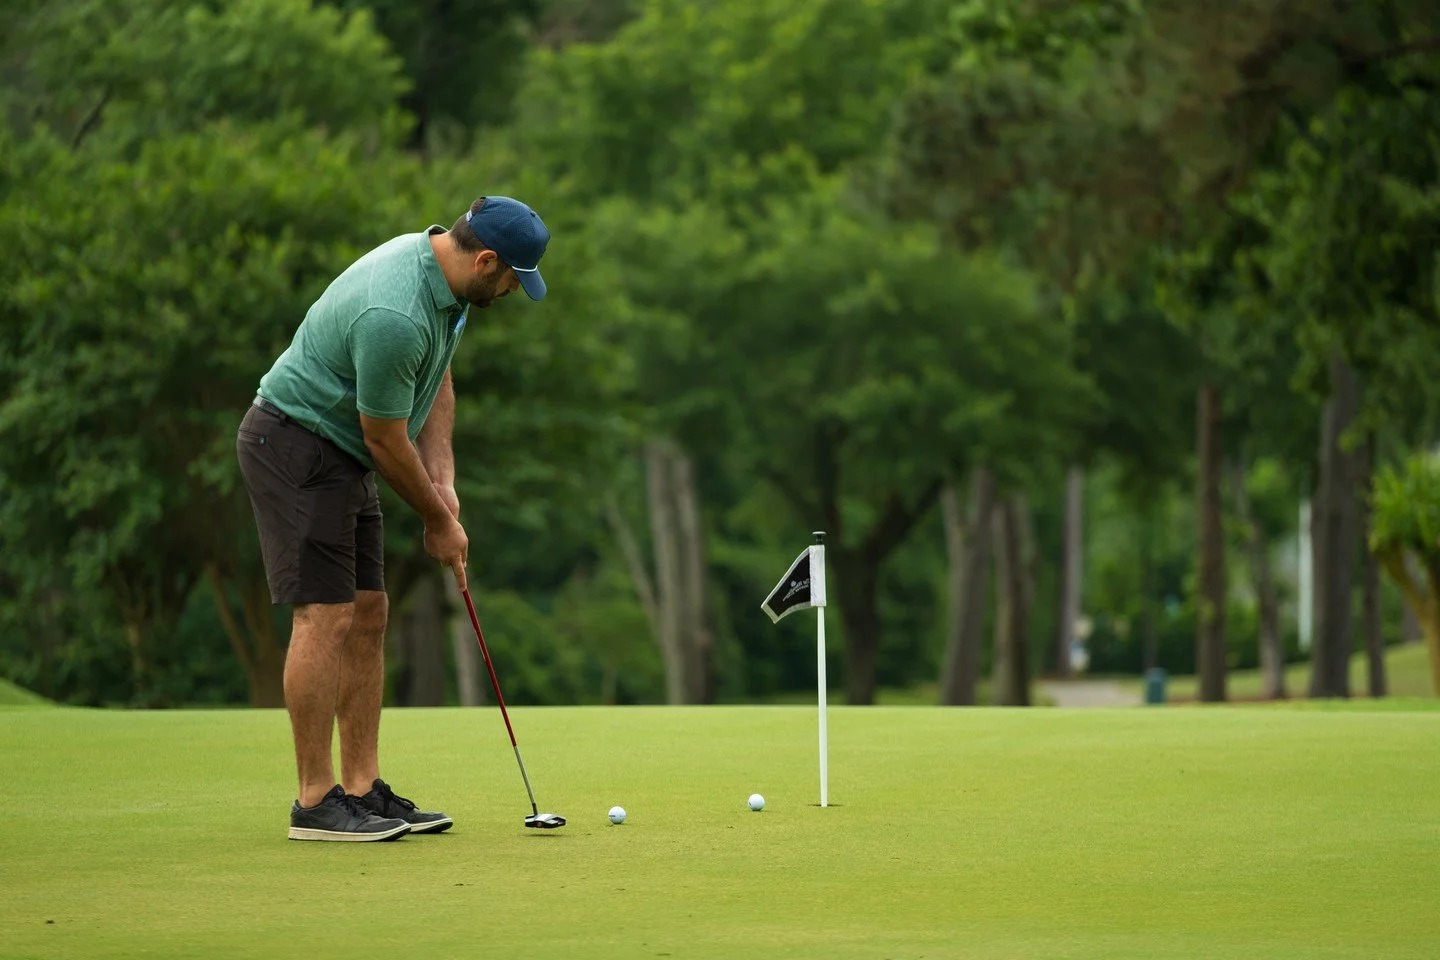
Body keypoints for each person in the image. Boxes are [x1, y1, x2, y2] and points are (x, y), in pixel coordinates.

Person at [235, 196, 551, 841]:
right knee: (325, 616)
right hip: (295, 442)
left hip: (343, 452)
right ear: (486, 261)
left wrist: (444, 480)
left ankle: (362, 787)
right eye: (514, 280)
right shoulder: (395, 313)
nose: (514, 291)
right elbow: (383, 438)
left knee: (369, 611)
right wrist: (437, 521)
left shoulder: (449, 289)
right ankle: (315, 802)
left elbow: (436, 377)